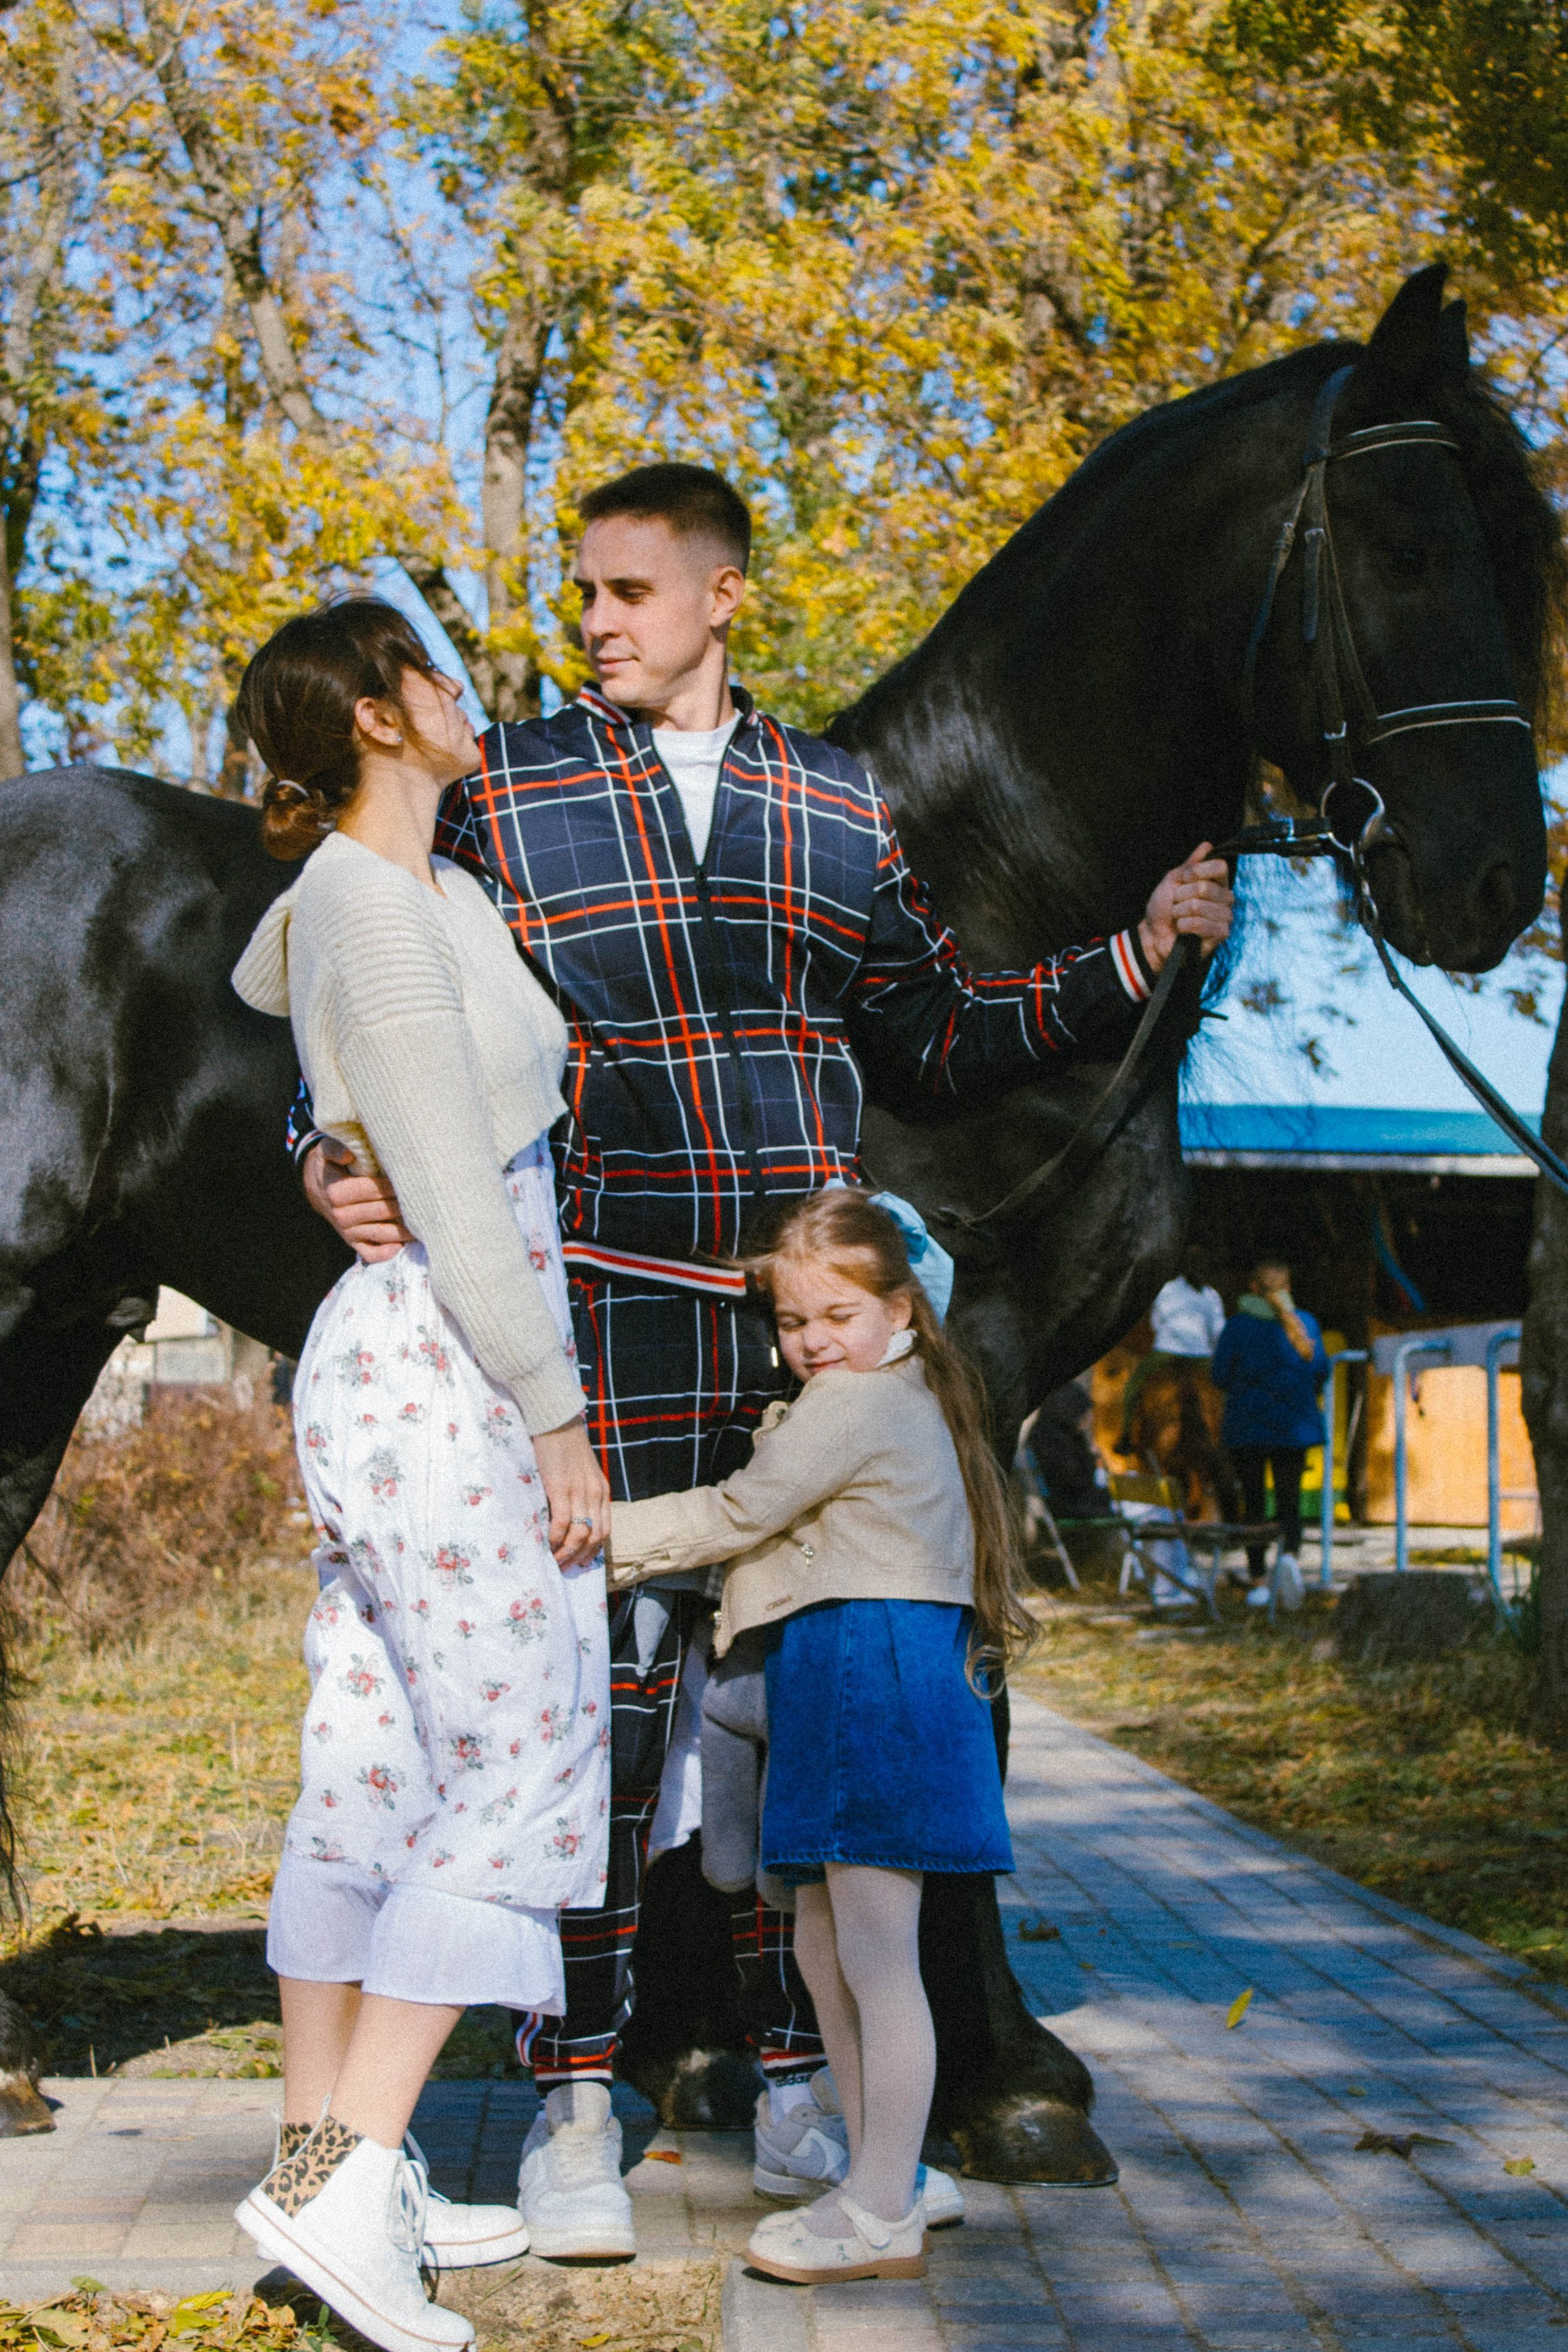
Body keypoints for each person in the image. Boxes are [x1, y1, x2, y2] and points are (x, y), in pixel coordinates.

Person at [290, 461, 1235, 2254]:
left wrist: (1137, 949)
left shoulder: (834, 802)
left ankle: (801, 2082)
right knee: (603, 1702)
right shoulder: (513, 790)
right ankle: (575, 2098)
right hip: (610, 1306)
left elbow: (945, 1028)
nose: (594, 624)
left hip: (804, 1333)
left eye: (629, 592)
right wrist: (324, 1143)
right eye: (584, 594)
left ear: (724, 596)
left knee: (782, 1705)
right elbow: (377, 981)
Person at [228, 602, 611, 2352]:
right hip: (458, 1351)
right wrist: (554, 1410)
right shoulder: (377, 906)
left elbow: (270, 993)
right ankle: (342, 2185)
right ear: (383, 717)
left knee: (374, 1759)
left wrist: (322, 1126)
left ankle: (332, 2169)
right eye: (443, 684)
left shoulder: (408, 891)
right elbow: (457, 1181)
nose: (477, 704)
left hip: (401, 1349)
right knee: (522, 1759)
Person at [608, 1189, 1032, 2283]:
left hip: (871, 1674)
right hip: (845, 1672)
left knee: (878, 1956)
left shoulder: (856, 1407)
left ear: (901, 1309)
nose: (812, 1342)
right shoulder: (890, 1396)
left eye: (838, 1315)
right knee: (822, 1945)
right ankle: (880, 2172)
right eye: (795, 1322)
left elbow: (742, 1514)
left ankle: (882, 2201)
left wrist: (590, 1532)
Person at [1211, 1251, 1329, 1610]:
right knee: (1290, 1500)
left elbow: (1218, 1376)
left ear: (1253, 1288)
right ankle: (1290, 1561)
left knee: (1254, 1506)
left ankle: (1259, 1580)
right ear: (1288, 1287)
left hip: (1246, 1432)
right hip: (1293, 1432)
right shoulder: (1306, 1324)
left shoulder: (1236, 1327)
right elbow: (1321, 1372)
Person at [1117, 1244, 1226, 1455]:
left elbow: (1157, 1322)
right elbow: (1218, 1331)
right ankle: (1126, 1434)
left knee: (1134, 1385)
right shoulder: (1206, 1296)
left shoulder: (1203, 1295)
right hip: (1191, 1353)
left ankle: (1126, 1435)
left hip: (1169, 1350)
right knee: (1225, 1388)